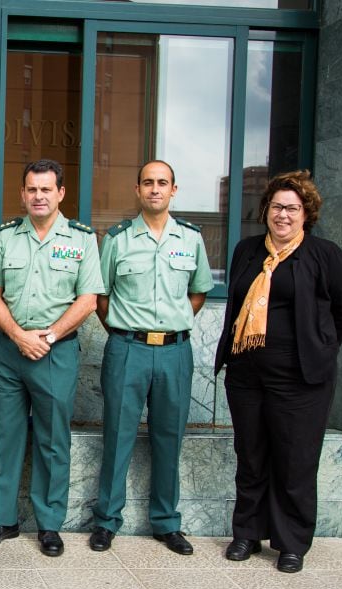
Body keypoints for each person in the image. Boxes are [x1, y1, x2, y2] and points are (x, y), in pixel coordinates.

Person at [214, 170, 342, 573]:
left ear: (305, 214)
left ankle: (292, 542)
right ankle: (246, 534)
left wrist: (321, 350)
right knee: (252, 455)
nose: (283, 215)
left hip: (301, 381)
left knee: (294, 461)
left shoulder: (326, 255)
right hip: (246, 376)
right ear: (267, 210)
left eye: (292, 208)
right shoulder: (246, 251)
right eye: (277, 206)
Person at [0, 159, 103, 557]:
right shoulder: (4, 236)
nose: (38, 196)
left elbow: (88, 300)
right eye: (31, 189)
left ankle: (49, 525)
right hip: (7, 350)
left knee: (52, 440)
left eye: (46, 189)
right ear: (22, 193)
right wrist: (18, 336)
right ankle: (2, 519)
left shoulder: (82, 239)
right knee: (3, 437)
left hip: (55, 351)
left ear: (61, 193)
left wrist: (46, 336)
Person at [88, 160, 215, 556]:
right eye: (148, 183)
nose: (155, 189)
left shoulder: (191, 238)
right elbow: (101, 297)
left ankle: (166, 522)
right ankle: (106, 521)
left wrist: (170, 326)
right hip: (128, 350)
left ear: (174, 190)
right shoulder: (118, 239)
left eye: (162, 183)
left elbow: (197, 293)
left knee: (168, 439)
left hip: (175, 352)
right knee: (118, 436)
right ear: (137, 189)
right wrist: (129, 332)